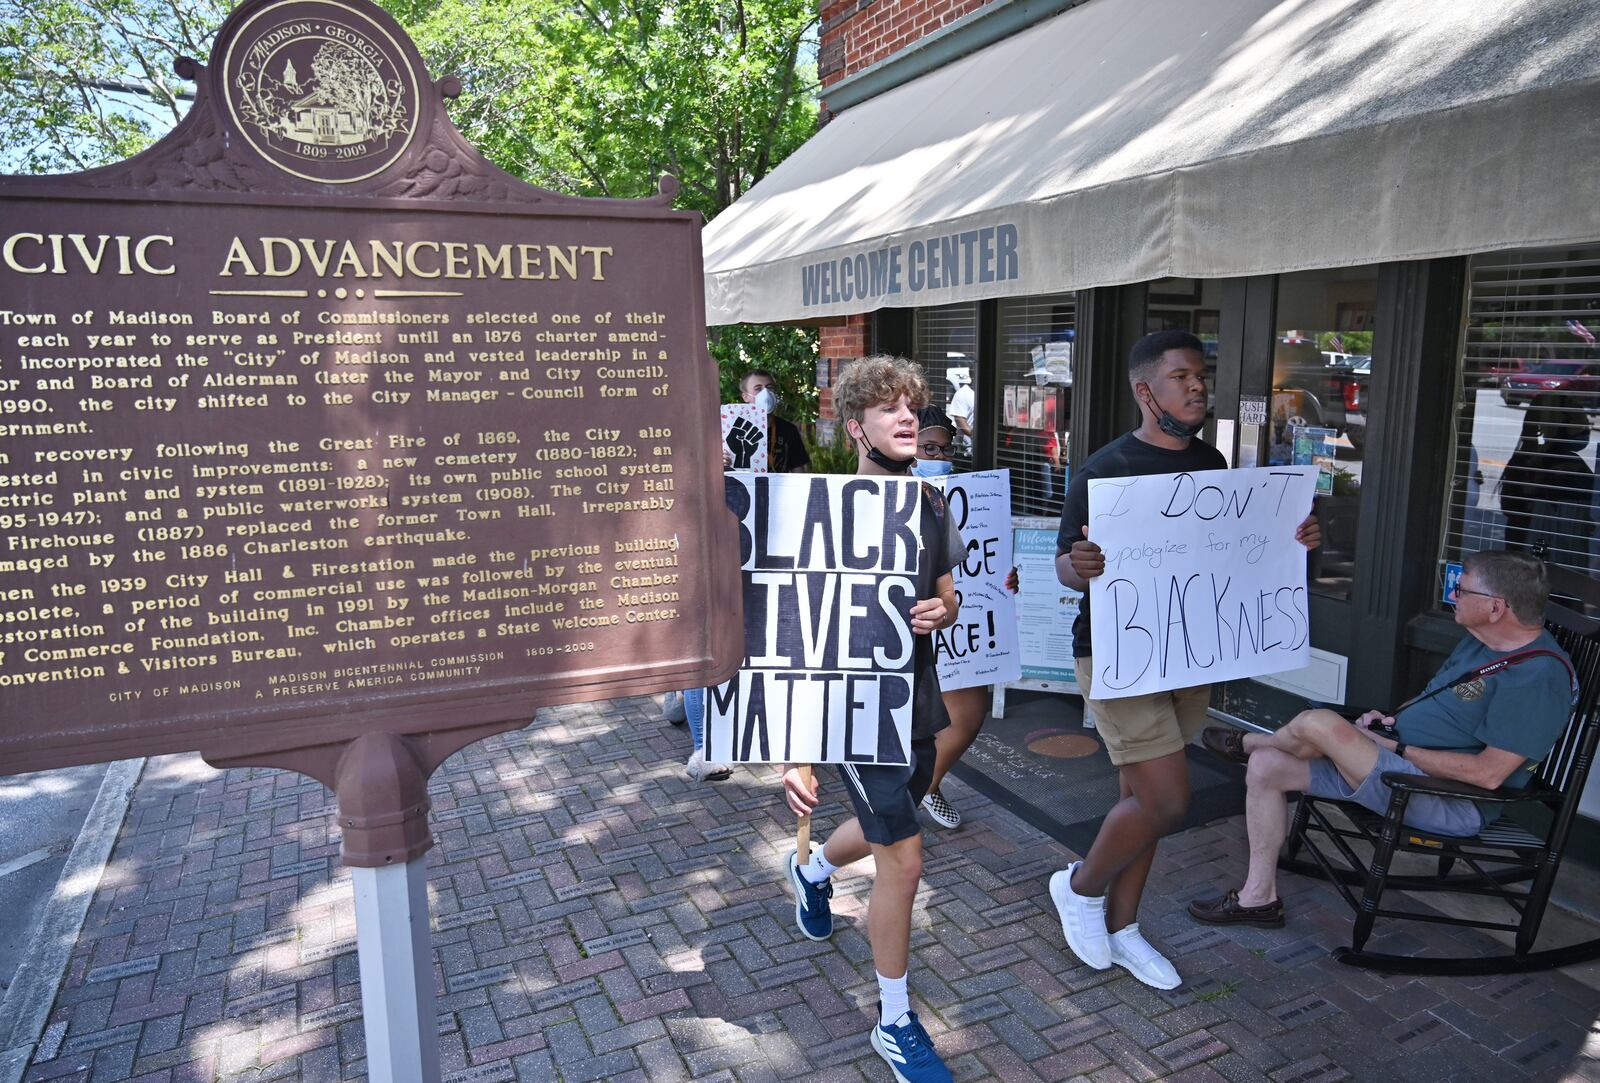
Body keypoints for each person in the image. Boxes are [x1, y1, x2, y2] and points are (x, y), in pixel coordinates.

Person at [1050, 329, 1321, 990]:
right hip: (1120, 653)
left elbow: (1228, 552)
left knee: (1138, 798)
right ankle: (1080, 887)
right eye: (1182, 376)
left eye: (1201, 374)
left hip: (1189, 653)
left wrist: (1291, 541)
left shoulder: (1213, 462)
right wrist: (1078, 565)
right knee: (1169, 800)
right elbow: (1063, 564)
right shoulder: (1103, 470)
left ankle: (1125, 927)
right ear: (1147, 391)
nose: (1198, 385)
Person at [1189, 548, 1574, 928]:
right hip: (1394, 764)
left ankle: (1250, 741)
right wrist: (1390, 720)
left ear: (1496, 608)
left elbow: (1488, 775)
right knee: (1268, 766)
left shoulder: (1537, 679)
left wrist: (1395, 747)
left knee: (1319, 724)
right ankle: (1259, 899)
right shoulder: (1481, 641)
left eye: (1462, 589)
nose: (1453, 594)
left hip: (1444, 798)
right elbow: (1436, 699)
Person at [783, 355, 962, 1083]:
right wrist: (796, 752)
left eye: (913, 405)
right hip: (849, 710)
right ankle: (893, 1021)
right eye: (890, 407)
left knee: (897, 818)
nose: (908, 417)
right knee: (906, 857)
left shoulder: (929, 504)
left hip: (914, 700)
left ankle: (814, 869)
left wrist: (940, 610)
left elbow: (950, 596)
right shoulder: (818, 509)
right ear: (856, 426)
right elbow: (791, 635)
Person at [910, 405, 1017, 830]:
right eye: (928, 447)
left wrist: (1005, 576)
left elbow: (982, 560)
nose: (939, 455)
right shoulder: (875, 490)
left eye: (946, 449)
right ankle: (897, 803)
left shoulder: (966, 496)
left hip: (956, 626)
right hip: (904, 623)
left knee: (969, 713)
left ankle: (923, 787)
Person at [742, 369, 811, 473]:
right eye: (758, 389)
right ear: (746, 397)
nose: (765, 393)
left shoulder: (789, 430)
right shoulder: (735, 429)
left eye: (770, 387)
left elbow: (799, 472)